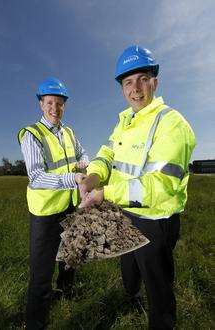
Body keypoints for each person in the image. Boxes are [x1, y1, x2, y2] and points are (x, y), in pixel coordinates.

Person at [79, 46, 196, 329]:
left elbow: (162, 187)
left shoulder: (171, 124)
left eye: (143, 78)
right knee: (129, 265)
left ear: (155, 81)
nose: (136, 89)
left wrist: (105, 193)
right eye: (128, 82)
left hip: (155, 220)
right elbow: (107, 155)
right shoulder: (125, 122)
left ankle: (162, 321)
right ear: (122, 88)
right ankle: (131, 297)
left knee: (158, 283)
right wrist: (93, 176)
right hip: (125, 212)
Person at [18, 77, 89, 330]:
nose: (55, 108)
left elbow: (83, 154)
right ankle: (36, 322)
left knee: (71, 254)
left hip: (69, 206)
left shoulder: (68, 132)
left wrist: (84, 162)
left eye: (59, 103)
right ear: (41, 104)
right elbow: (36, 177)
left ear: (64, 105)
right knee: (41, 272)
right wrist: (74, 177)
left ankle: (66, 291)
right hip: (46, 212)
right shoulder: (31, 135)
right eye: (50, 103)